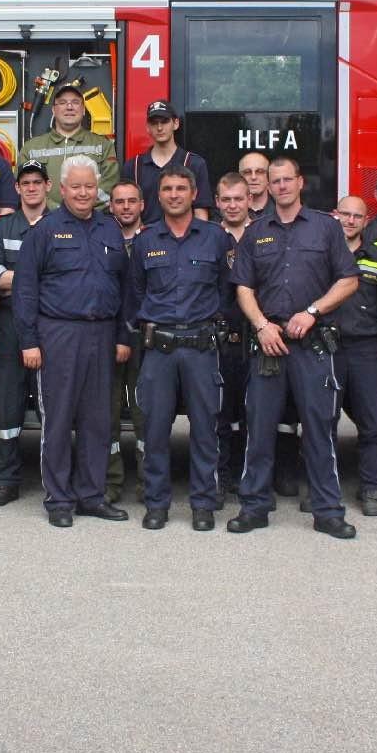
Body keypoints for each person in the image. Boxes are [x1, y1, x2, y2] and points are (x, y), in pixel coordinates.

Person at [228, 157, 361, 538]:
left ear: (301, 182)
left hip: (312, 346)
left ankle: (328, 511)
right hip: (268, 346)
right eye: (275, 181)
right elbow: (243, 287)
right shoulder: (255, 232)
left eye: (288, 179)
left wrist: (313, 312)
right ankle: (254, 507)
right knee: (258, 429)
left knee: (320, 430)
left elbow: (349, 280)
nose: (282, 186)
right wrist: (261, 325)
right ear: (267, 187)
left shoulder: (326, 228)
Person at [14, 154, 133, 527]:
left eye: (89, 186)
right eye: (76, 186)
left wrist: (123, 336)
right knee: (59, 419)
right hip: (58, 334)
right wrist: (29, 341)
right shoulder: (45, 231)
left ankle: (92, 495)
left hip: (103, 334)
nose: (83, 193)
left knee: (98, 420)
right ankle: (59, 499)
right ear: (62, 189)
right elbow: (25, 290)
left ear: (98, 189)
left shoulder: (110, 230)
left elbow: (125, 288)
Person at [125, 165, 232, 531]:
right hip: (159, 349)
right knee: (155, 430)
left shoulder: (215, 238)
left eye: (181, 189)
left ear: (193, 194)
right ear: (158, 196)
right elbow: (136, 293)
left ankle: (203, 504)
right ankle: (157, 503)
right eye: (167, 189)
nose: (174, 195)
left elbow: (226, 290)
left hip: (201, 347)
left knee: (205, 429)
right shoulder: (145, 240)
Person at [0, 159, 53, 508]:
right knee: (7, 404)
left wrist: (18, 278)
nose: (32, 187)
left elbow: (70, 276)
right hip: (9, 324)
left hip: (51, 324)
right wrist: (40, 279)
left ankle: (55, 479)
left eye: (38, 181)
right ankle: (5, 480)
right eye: (26, 183)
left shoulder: (61, 225)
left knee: (53, 405)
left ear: (48, 186)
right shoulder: (1, 228)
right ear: (17, 188)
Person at [333, 195, 377, 517]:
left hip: (367, 347)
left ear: (366, 221)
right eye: (345, 214)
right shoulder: (323, 254)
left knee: (373, 422)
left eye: (357, 216)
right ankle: (324, 486)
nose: (350, 221)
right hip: (328, 346)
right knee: (323, 421)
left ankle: (372, 486)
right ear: (335, 215)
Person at [105, 179, 148, 502]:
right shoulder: (101, 239)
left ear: (142, 205)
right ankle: (111, 482)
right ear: (111, 206)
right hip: (106, 336)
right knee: (107, 412)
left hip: (145, 339)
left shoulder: (155, 239)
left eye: (132, 201)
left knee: (144, 411)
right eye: (119, 201)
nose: (126, 207)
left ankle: (148, 483)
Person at [213, 173, 254, 497]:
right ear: (217, 202)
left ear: (249, 200)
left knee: (254, 412)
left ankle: (248, 475)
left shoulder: (264, 234)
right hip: (221, 338)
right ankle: (222, 475)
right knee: (221, 413)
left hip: (257, 336)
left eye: (238, 198)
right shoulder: (209, 237)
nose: (232, 205)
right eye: (226, 199)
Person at [17, 78, 119, 208]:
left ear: (83, 110)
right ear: (53, 110)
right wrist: (57, 212)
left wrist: (82, 209)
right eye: (62, 102)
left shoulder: (103, 146)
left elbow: (110, 187)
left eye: (75, 102)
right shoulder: (31, 148)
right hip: (45, 218)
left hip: (90, 218)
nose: (69, 107)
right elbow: (24, 186)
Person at [123, 100, 212, 223]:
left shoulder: (194, 164)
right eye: (154, 123)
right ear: (147, 127)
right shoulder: (133, 166)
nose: (159, 128)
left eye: (164, 121)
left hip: (184, 235)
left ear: (176, 123)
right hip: (145, 234)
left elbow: (200, 213)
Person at [238, 153, 273, 221]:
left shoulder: (281, 209)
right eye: (247, 172)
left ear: (269, 177)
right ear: (239, 177)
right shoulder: (227, 211)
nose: (253, 177)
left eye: (260, 172)